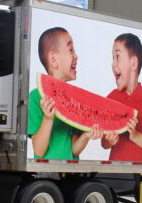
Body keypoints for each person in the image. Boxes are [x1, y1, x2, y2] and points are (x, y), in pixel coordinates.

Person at [28, 27, 99, 159]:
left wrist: (86, 136)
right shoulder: (35, 97)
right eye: (71, 50)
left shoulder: (75, 99)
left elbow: (73, 151)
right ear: (53, 59)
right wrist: (48, 118)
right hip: (45, 172)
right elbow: (39, 151)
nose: (76, 56)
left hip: (71, 171)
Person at [101, 33, 142, 160]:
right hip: (115, 171)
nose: (113, 63)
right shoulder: (111, 98)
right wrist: (109, 141)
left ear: (133, 63)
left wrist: (135, 135)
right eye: (112, 57)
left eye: (117, 57)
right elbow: (104, 144)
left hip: (141, 173)